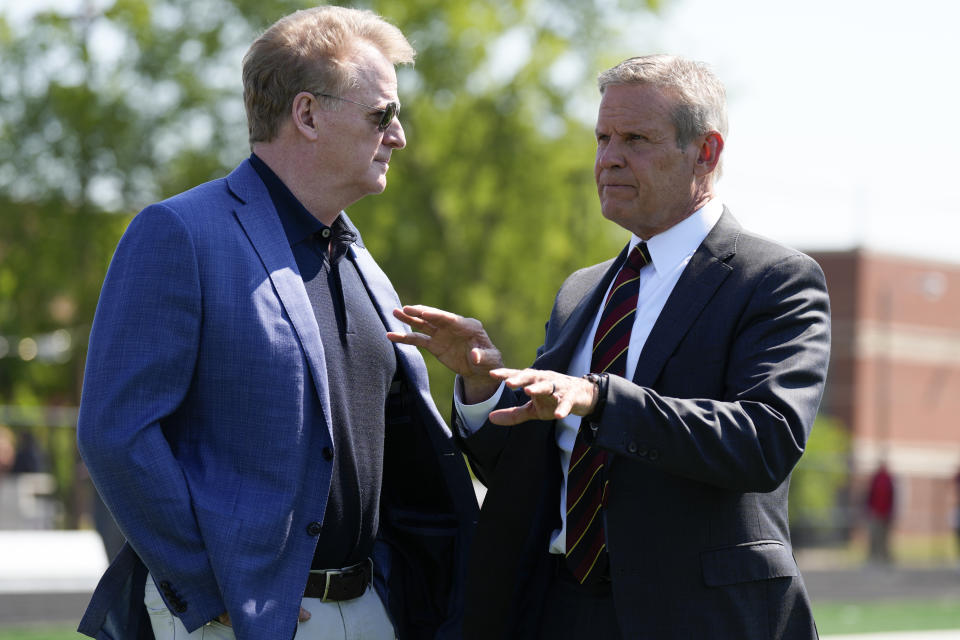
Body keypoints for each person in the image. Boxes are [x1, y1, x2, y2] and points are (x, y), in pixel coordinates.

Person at [389, 54, 831, 639]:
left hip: (699, 619)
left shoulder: (773, 279)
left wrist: (601, 400)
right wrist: (481, 386)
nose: (609, 157)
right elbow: (532, 471)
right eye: (602, 137)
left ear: (707, 151)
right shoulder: (582, 291)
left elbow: (765, 440)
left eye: (636, 139)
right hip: (560, 610)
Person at [76, 7, 478, 640]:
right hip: (235, 618)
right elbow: (115, 432)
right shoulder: (179, 232)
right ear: (307, 114)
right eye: (382, 114)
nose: (399, 135)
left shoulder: (355, 255)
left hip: (372, 607)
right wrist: (209, 590)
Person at [865, 462, 895, 564]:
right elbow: (870, 495)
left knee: (884, 537)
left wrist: (891, 512)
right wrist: (869, 510)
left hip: (885, 513)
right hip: (875, 513)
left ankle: (884, 558)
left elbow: (892, 497)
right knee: (874, 536)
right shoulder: (876, 479)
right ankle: (873, 557)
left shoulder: (889, 479)